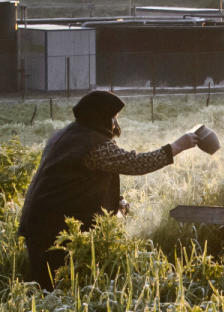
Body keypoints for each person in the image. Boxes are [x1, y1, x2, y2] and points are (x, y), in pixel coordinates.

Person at [17, 90, 199, 290]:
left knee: (51, 286)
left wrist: (116, 199)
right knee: (56, 288)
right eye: (113, 117)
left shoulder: (69, 134)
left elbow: (82, 179)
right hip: (53, 227)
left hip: (42, 220)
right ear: (100, 117)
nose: (116, 124)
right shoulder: (92, 144)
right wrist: (176, 146)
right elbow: (135, 163)